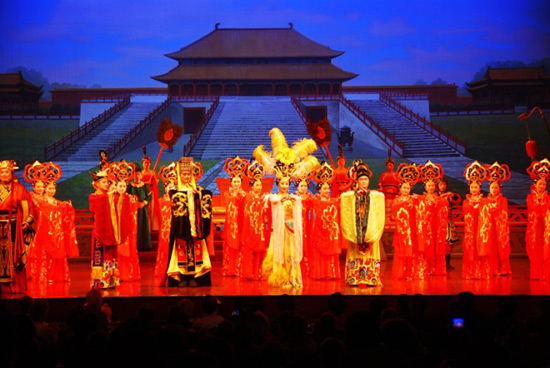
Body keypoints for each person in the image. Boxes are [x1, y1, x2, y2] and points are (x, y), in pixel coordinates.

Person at [254, 127, 319, 288]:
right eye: (281, 183)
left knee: (290, 253)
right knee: (280, 252)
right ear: (278, 183)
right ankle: (280, 277)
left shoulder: (294, 198)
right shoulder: (274, 198)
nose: (284, 185)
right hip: (279, 231)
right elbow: (269, 207)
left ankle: (292, 277)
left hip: (291, 231)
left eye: (286, 183)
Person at [24, 161, 79, 283]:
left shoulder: (54, 201)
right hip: (42, 231)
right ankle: (42, 276)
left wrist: (67, 207)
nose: (51, 190)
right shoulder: (36, 199)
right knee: (42, 253)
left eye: (53, 188)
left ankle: (55, 275)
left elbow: (59, 210)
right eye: (49, 188)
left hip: (55, 233)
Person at [164, 157, 214, 287]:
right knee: (182, 251)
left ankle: (194, 277)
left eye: (188, 174)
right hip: (181, 227)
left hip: (195, 226)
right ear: (180, 175)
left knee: (196, 251)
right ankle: (182, 277)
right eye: (183, 174)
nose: (186, 176)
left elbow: (206, 200)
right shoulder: (175, 191)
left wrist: (198, 196)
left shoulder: (199, 189)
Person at [340, 159, 385, 286]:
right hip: (356, 230)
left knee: (371, 251)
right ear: (357, 181)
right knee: (355, 250)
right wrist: (356, 196)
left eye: (366, 179)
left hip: (369, 229)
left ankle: (371, 278)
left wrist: (367, 196)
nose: (364, 182)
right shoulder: (351, 195)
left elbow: (380, 198)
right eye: (361, 179)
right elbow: (344, 198)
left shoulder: (375, 195)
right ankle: (354, 277)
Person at [0, 160, 35, 294]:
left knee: (13, 256)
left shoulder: (20, 189)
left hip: (13, 226)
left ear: (12, 173)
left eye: (6, 172)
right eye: (1, 172)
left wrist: (27, 221)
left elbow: (31, 208)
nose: (4, 174)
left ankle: (14, 286)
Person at [391, 163, 425, 280]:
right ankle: (400, 273)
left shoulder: (414, 199)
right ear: (400, 188)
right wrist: (407, 203)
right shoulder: (396, 201)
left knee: (412, 253)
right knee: (401, 252)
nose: (406, 190)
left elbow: (422, 207)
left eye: (408, 188)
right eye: (404, 188)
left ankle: (410, 273)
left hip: (412, 231)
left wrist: (418, 200)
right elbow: (396, 211)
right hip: (402, 231)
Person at [479, 162, 512, 276]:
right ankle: (490, 268)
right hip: (489, 228)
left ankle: (501, 269)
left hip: (499, 229)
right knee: (489, 248)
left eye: (496, 187)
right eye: (492, 187)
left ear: (499, 188)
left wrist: (494, 209)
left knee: (499, 249)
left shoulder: (503, 200)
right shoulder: (484, 200)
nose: (493, 189)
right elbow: (483, 215)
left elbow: (503, 214)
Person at [89, 166, 119, 289]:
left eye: (107, 182)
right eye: (103, 182)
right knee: (100, 254)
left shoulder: (110, 195)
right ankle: (100, 281)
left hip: (110, 229)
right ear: (96, 184)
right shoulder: (93, 197)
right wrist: (109, 196)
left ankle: (111, 280)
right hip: (99, 230)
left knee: (111, 254)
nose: (106, 184)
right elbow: (95, 207)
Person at [110, 160, 140, 282]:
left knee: (129, 250)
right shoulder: (112, 198)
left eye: (124, 186)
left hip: (128, 230)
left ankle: (128, 274)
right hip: (116, 230)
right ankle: (117, 274)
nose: (122, 188)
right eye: (120, 186)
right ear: (116, 186)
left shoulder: (130, 198)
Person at [310, 162, 342, 280]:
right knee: (320, 253)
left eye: (328, 188)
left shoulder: (334, 201)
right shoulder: (315, 200)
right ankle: (321, 273)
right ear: (319, 189)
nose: (327, 190)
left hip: (331, 232)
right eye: (324, 188)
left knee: (331, 253)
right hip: (320, 231)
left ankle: (331, 273)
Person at [417, 160, 447, 276]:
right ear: (425, 186)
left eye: (432, 185)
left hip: (436, 227)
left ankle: (435, 268)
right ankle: (426, 268)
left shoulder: (439, 199)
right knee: (426, 247)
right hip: (425, 228)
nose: (431, 187)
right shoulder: (421, 198)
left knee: (436, 247)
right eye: (428, 185)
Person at [239, 161, 268, 280]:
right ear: (252, 186)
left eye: (260, 185)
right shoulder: (247, 197)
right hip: (250, 228)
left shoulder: (264, 197)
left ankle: (258, 273)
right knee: (249, 251)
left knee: (259, 252)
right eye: (257, 185)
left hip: (260, 229)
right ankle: (249, 273)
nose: (259, 187)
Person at [462, 161, 490, 280]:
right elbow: (466, 212)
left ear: (480, 188)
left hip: (480, 230)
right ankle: (470, 272)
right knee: (470, 250)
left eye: (476, 187)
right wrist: (473, 205)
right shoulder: (466, 201)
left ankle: (481, 272)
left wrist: (479, 205)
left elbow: (486, 214)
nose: (474, 189)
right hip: (470, 231)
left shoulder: (484, 201)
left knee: (480, 250)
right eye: (472, 187)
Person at [222, 156, 248, 277]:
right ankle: (230, 269)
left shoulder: (245, 194)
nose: (236, 184)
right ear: (231, 182)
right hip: (231, 224)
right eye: (234, 181)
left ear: (241, 182)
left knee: (240, 246)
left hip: (241, 223)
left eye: (238, 181)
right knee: (230, 246)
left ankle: (239, 268)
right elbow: (229, 204)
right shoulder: (227, 194)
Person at [525, 158, 550, 280]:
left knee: (546, 251)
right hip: (535, 228)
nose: (541, 186)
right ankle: (535, 273)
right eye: (539, 184)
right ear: (535, 184)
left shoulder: (548, 198)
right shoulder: (530, 197)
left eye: (544, 184)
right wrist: (538, 203)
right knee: (535, 251)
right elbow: (532, 211)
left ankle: (546, 274)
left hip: (545, 228)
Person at [153, 163, 176, 286]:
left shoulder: (178, 201)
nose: (171, 189)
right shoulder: (161, 201)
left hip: (175, 230)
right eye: (169, 187)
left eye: (173, 187)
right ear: (165, 187)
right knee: (164, 249)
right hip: (165, 231)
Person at [126, 163, 152, 251]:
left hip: (142, 209)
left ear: (141, 174)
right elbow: (126, 197)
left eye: (138, 173)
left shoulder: (144, 186)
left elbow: (149, 196)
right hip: (132, 211)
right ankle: (133, 245)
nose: (137, 175)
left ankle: (144, 246)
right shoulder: (129, 186)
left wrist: (144, 203)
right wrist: (133, 204)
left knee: (143, 226)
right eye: (135, 173)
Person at [437, 177, 461, 270]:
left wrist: (453, 195)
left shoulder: (449, 195)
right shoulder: (435, 195)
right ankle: (439, 263)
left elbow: (457, 200)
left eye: (444, 184)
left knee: (448, 244)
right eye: (440, 184)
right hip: (438, 222)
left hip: (447, 222)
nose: (442, 186)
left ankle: (447, 264)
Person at [294, 174, 314, 278]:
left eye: (305, 186)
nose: (303, 188)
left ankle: (306, 269)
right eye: (301, 186)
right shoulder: (294, 198)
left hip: (307, 224)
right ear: (297, 187)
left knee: (307, 245)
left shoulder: (310, 198)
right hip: (297, 224)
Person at [141, 147, 160, 231]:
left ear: (150, 164)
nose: (146, 164)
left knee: (153, 210)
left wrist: (153, 181)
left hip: (151, 193)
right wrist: (145, 183)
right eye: (144, 163)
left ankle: (153, 226)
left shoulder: (153, 172)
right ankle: (145, 227)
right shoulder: (140, 174)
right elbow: (138, 184)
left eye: (147, 163)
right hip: (144, 195)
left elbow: (157, 182)